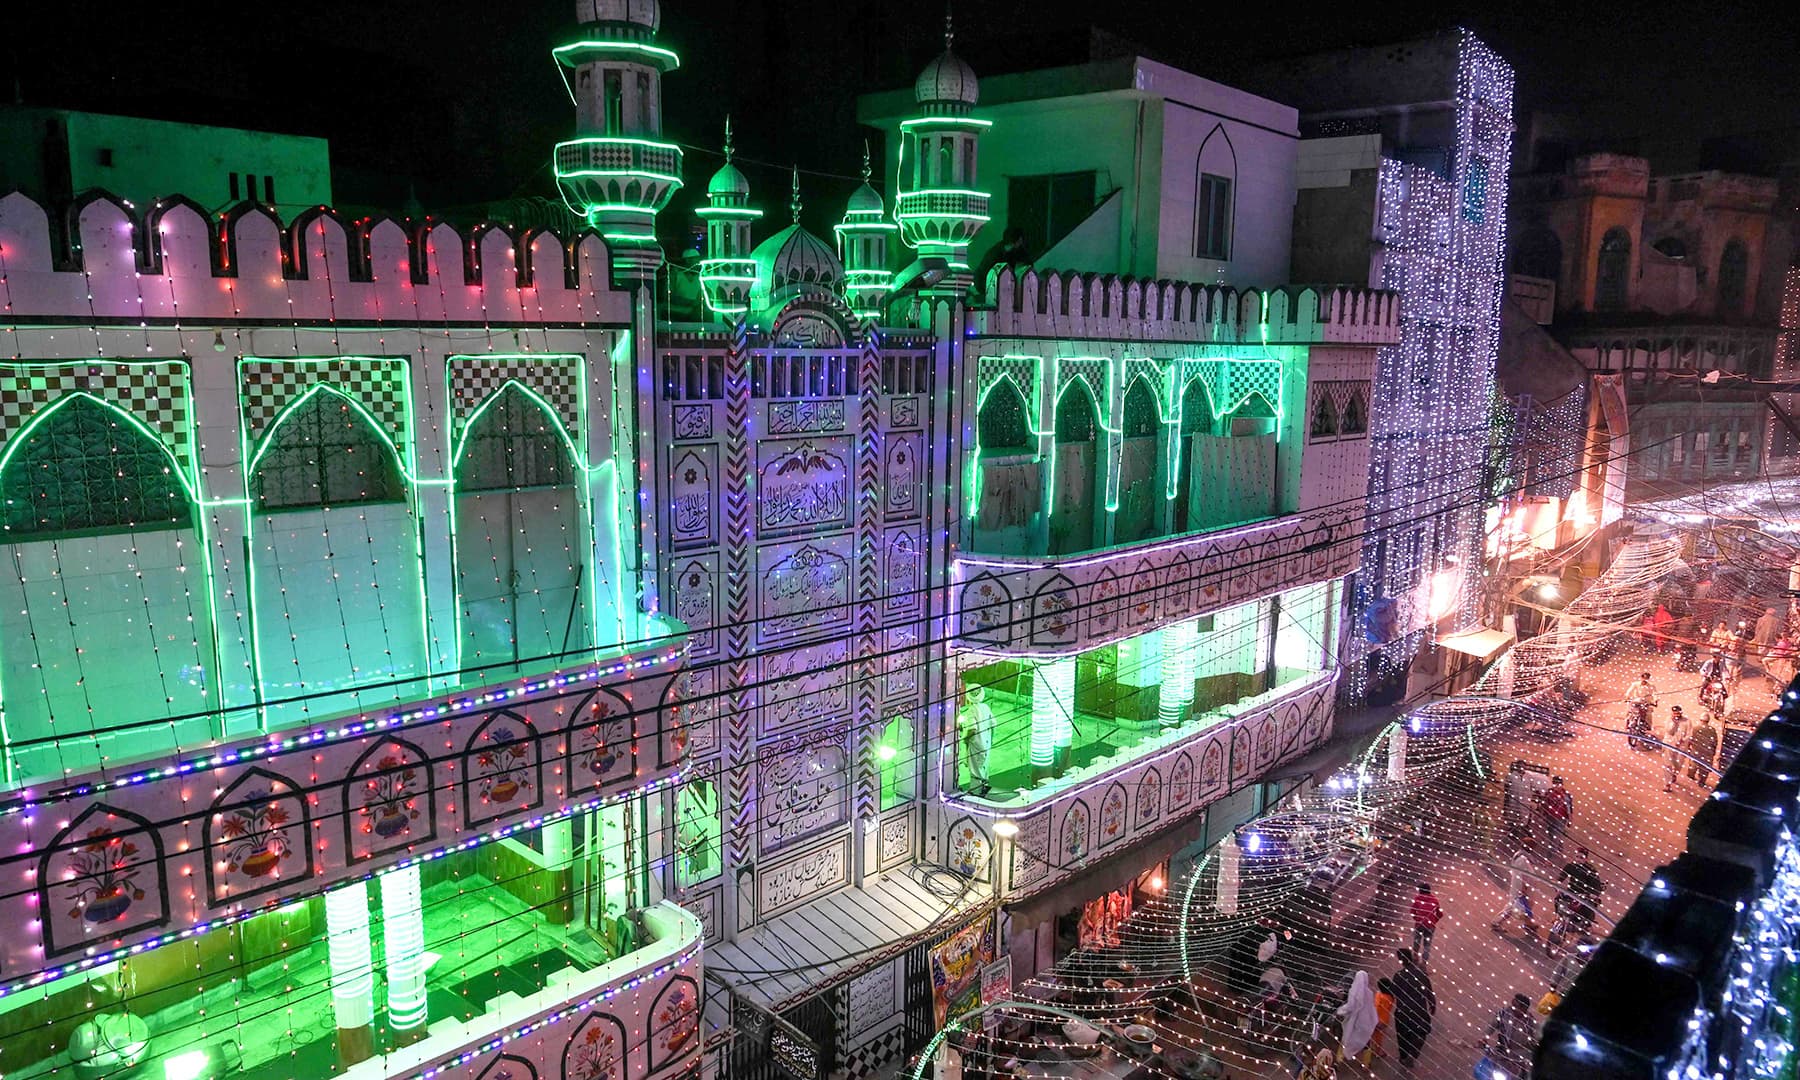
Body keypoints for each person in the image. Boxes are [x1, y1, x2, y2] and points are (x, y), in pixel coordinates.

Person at [1391, 948, 1436, 1068]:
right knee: (1421, 1032)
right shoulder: (1420, 974)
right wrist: (1432, 1004)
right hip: (1419, 1011)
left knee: (1403, 1035)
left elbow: (1393, 992)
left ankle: (1404, 1056)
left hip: (1403, 1011)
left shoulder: (1398, 976)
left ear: (1401, 960)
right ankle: (1413, 1053)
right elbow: (1429, 991)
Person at [1551, 847, 1602, 949]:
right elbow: (1561, 876)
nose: (1578, 859)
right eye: (1577, 856)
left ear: (1586, 859)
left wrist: (1592, 894)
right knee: (1558, 899)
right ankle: (1558, 916)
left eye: (1581, 857)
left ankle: (1587, 926)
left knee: (1587, 909)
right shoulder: (1570, 866)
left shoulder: (1591, 870)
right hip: (1571, 892)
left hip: (1584, 895)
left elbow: (1596, 887)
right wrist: (1557, 884)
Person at [1480, 993, 1539, 1079]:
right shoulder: (1504, 1013)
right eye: (1512, 1004)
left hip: (1519, 1054)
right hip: (1502, 1050)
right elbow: (1492, 1025)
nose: (1512, 1007)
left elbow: (1536, 1040)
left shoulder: (1530, 1023)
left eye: (1516, 1006)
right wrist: (1484, 1037)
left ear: (1524, 1009)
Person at [1492, 842, 1539, 941]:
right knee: (1513, 906)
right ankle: (1496, 922)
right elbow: (1520, 874)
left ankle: (1528, 923)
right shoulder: (1522, 859)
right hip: (1521, 887)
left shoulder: (1521, 856)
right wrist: (1523, 887)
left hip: (1524, 886)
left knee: (1527, 905)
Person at [1336, 970, 1380, 1064]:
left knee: (1346, 1038)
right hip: (1366, 1023)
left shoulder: (1354, 993)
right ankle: (1366, 1063)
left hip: (1355, 1022)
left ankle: (1339, 1059)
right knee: (1366, 1042)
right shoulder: (1369, 993)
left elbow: (1350, 1006)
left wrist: (1339, 1011)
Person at [959, 685, 994, 795]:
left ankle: (975, 793)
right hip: (986, 744)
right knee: (984, 767)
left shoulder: (971, 711)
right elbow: (993, 724)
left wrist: (965, 739)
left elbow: (972, 729)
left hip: (976, 745)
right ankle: (984, 789)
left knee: (975, 771)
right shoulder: (985, 707)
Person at [1410, 882, 1443, 965]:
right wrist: (1433, 921)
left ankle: (1415, 957)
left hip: (1419, 924)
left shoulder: (1417, 899)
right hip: (1430, 926)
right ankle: (1424, 964)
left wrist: (1417, 919)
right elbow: (1440, 914)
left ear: (1421, 891)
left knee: (1417, 941)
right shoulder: (1435, 900)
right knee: (1427, 945)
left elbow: (1412, 911)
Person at [1539, 776, 1573, 853]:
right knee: (1551, 832)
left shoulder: (1566, 795)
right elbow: (1544, 804)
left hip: (1561, 818)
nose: (1557, 786)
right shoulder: (1549, 792)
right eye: (1555, 784)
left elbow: (1569, 808)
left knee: (1556, 833)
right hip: (1550, 816)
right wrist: (1542, 814)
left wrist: (1570, 820)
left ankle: (1553, 849)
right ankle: (1558, 846)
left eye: (1558, 784)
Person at [1686, 714, 1720, 787]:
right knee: (1705, 767)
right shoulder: (1712, 730)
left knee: (1693, 764)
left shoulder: (1695, 728)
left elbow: (1690, 739)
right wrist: (1713, 751)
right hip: (1707, 752)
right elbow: (1715, 742)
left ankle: (1691, 775)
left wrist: (1688, 748)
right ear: (1708, 721)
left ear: (1700, 720)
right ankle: (1702, 781)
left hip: (1696, 750)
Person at [1625, 672, 1657, 748]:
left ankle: (1647, 727)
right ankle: (1627, 723)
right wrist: (1627, 697)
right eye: (1643, 678)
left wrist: (1655, 701)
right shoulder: (1635, 684)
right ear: (1641, 677)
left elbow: (1655, 693)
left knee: (1648, 715)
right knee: (1629, 712)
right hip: (1636, 701)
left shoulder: (1651, 686)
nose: (1644, 680)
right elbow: (1629, 691)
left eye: (1646, 678)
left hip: (1646, 702)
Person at [1664, 705, 1691, 791]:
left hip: (1681, 746)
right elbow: (1668, 731)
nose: (1676, 715)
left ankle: (1674, 774)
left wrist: (1683, 740)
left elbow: (1689, 734)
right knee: (1668, 764)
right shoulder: (1669, 719)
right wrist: (1674, 723)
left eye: (1678, 713)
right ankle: (1667, 784)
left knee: (1678, 764)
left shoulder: (1687, 721)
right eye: (1674, 713)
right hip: (1669, 744)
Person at [1371, 977, 1397, 1061]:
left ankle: (1373, 1050)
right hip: (1383, 1019)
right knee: (1379, 1036)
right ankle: (1377, 1051)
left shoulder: (1378, 995)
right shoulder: (1390, 997)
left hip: (1375, 1018)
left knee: (1374, 1035)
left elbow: (1376, 1007)